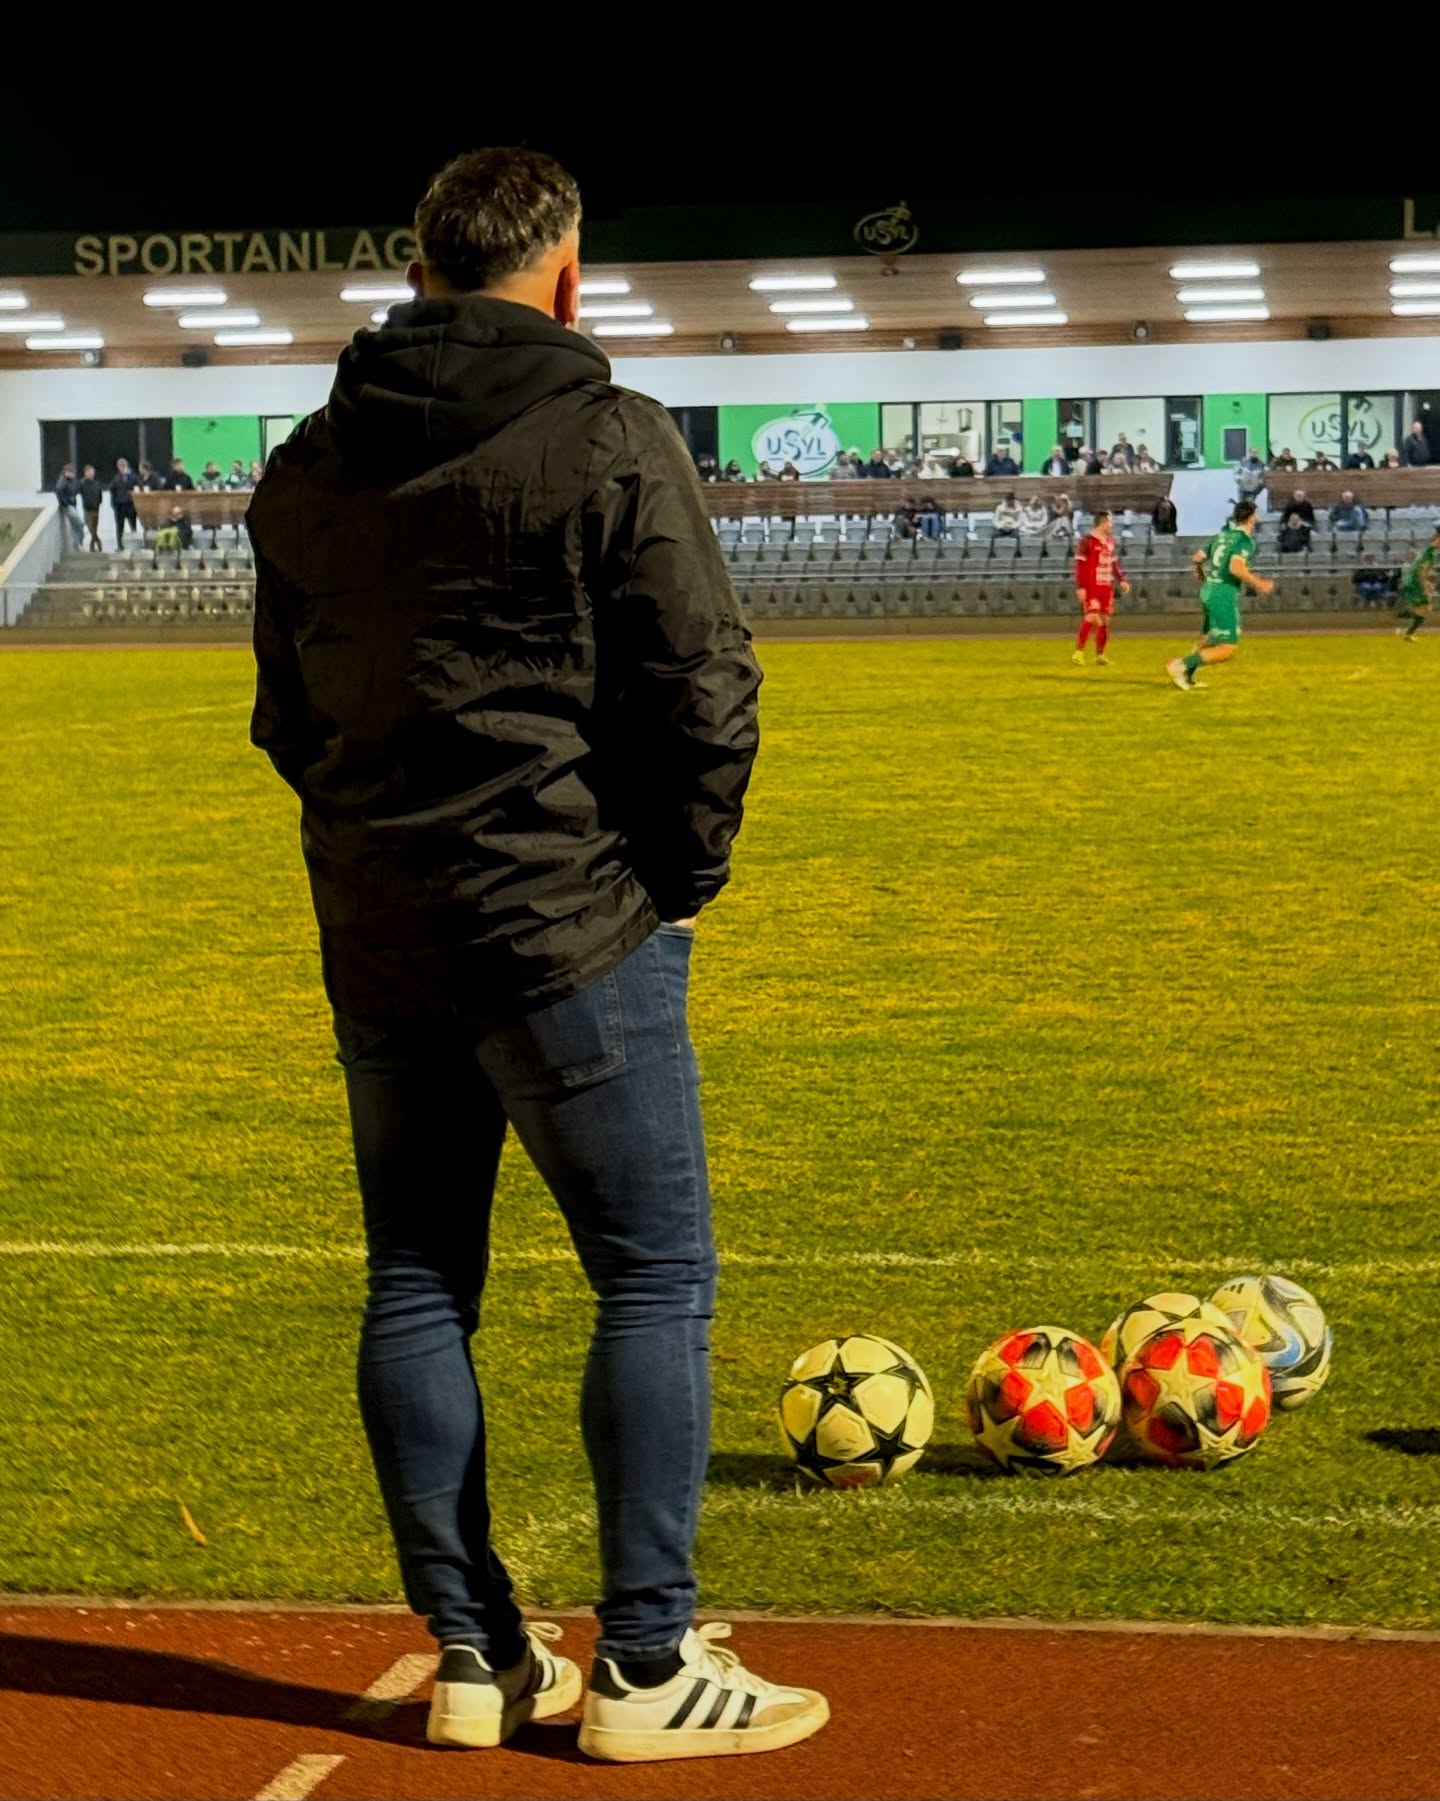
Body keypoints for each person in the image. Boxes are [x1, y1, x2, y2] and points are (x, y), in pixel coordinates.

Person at [247, 144, 823, 1765]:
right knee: (651, 1274)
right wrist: (674, 881)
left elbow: (287, 721)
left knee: (416, 1280)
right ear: (568, 278)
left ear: (420, 271)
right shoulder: (609, 435)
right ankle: (645, 1662)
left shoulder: (306, 466)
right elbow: (708, 689)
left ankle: (476, 1659)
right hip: (572, 929)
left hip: (380, 934)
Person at [1168, 499, 1273, 689]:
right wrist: (1260, 583)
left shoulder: (1222, 536)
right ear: (1251, 518)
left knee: (1206, 636)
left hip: (1208, 589)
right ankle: (1181, 665)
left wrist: (1200, 572)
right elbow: (1235, 568)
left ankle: (1187, 677)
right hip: (1222, 593)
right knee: (1228, 648)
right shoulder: (1244, 541)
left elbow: (1198, 557)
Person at [1072, 506, 1128, 666]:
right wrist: (1081, 587)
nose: (1112, 525)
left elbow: (1114, 563)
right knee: (1090, 616)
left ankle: (1100, 655)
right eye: (1110, 522)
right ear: (1103, 523)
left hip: (1106, 587)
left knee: (1104, 620)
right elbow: (1080, 566)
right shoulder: (1087, 541)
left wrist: (1121, 579)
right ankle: (1078, 652)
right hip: (1092, 587)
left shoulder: (1110, 542)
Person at [1395, 522, 1440, 640]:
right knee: (1425, 608)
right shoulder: (1430, 553)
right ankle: (1404, 624)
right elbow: (1422, 571)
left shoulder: (1429, 551)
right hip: (1415, 582)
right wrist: (1425, 585)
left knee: (1423, 608)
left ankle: (1406, 628)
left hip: (1412, 581)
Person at [110, 456, 140, 548]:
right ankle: (120, 546)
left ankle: (135, 545)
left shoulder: (133, 477)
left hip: (130, 505)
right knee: (120, 527)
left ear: (126, 465)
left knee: (133, 526)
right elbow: (112, 491)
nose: (122, 467)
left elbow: (137, 488)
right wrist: (114, 505)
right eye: (120, 466)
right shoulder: (116, 478)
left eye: (123, 465)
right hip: (119, 506)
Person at [54, 463, 84, 549]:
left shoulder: (71, 481)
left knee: (75, 525)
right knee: (80, 523)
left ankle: (77, 544)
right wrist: (65, 503)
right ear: (66, 472)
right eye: (71, 473)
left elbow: (75, 491)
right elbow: (59, 492)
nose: (73, 475)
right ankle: (78, 542)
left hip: (72, 504)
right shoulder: (63, 481)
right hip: (68, 506)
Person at [78, 464, 104, 551]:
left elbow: (100, 494)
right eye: (89, 472)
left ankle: (92, 547)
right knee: (91, 529)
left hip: (96, 508)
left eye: (92, 472)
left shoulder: (97, 483)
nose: (91, 474)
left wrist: (99, 502)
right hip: (87, 509)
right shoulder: (82, 483)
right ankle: (98, 542)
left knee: (94, 528)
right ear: (85, 473)